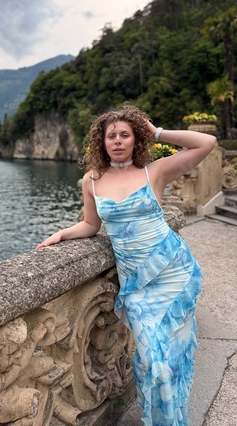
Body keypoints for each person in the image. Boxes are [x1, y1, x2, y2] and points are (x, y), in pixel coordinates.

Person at [36, 104, 216, 426]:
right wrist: (62, 234)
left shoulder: (153, 172)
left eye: (125, 134)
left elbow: (206, 143)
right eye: (111, 136)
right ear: (101, 142)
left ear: (136, 139)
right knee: (149, 360)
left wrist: (157, 131)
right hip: (136, 283)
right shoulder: (91, 181)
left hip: (173, 272)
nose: (117, 141)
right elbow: (90, 225)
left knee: (170, 358)